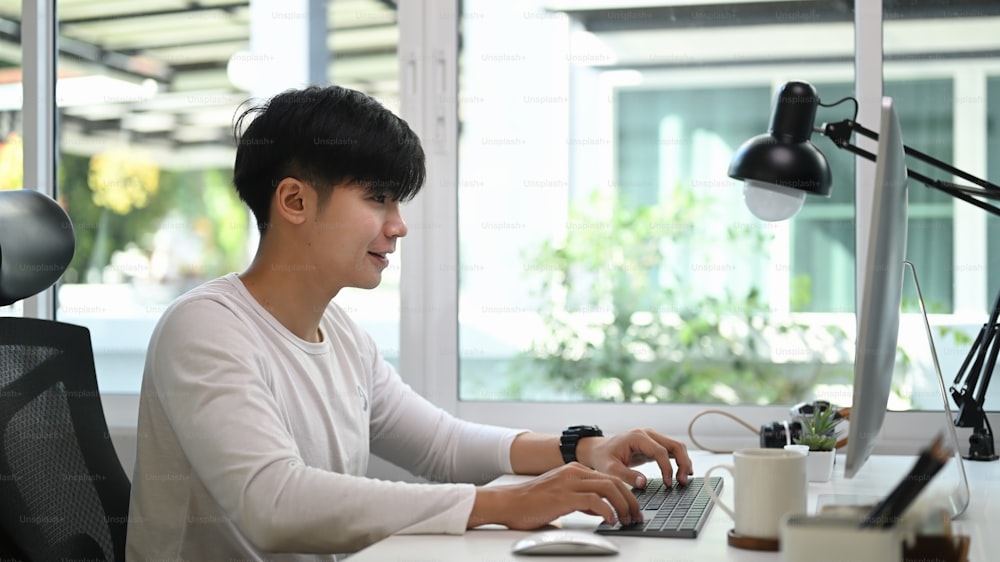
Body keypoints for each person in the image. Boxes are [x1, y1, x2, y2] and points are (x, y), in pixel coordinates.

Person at [126, 85, 694, 561]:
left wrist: (581, 449)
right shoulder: (205, 328)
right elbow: (274, 505)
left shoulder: (342, 335)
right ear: (294, 201)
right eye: (378, 199)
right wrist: (504, 505)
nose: (398, 226)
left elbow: (443, 445)